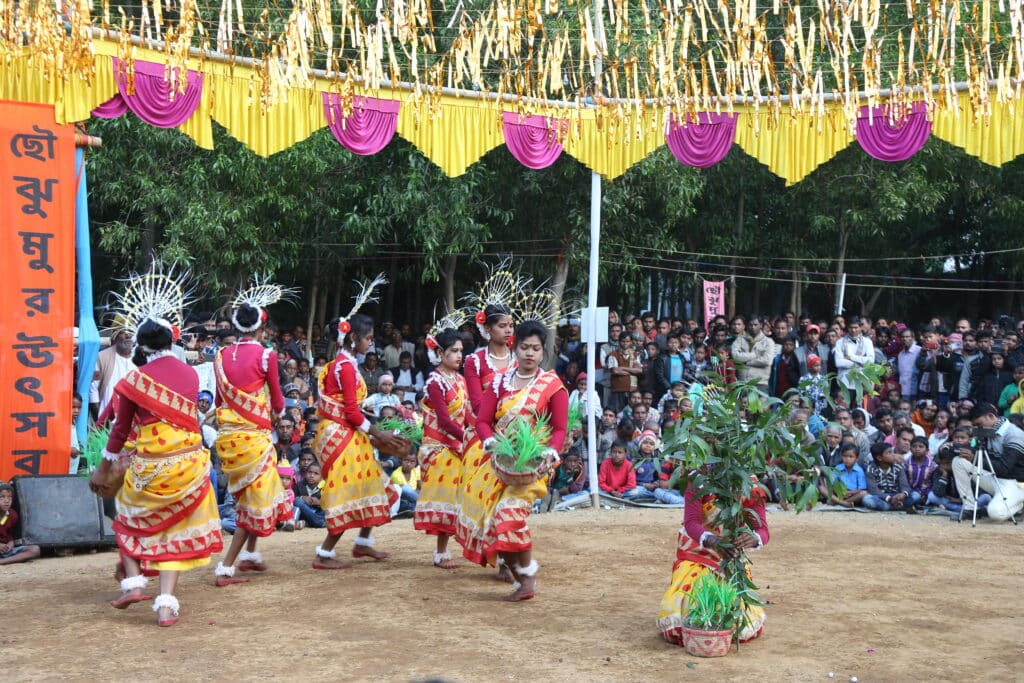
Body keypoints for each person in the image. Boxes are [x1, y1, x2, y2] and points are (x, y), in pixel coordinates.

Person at [90, 313, 223, 627]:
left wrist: (102, 467)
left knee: (126, 517)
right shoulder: (191, 375)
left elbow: (119, 430)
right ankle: (165, 606)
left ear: (141, 344)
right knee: (174, 532)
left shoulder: (135, 380)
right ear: (171, 339)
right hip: (189, 465)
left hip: (150, 467)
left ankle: (134, 583)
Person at [309, 281, 407, 570]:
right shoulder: (347, 367)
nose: (371, 344)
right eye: (368, 339)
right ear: (353, 339)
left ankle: (363, 543)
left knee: (371, 483)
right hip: (343, 434)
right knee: (351, 490)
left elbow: (350, 409)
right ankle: (324, 554)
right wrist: (378, 432)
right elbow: (351, 411)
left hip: (342, 432)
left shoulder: (341, 363)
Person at [475, 318, 569, 602]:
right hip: (500, 466)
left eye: (536, 349)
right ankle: (519, 579)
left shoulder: (551, 385)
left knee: (509, 514)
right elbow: (482, 421)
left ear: (543, 353)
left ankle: (528, 577)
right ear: (515, 348)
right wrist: (491, 442)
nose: (530, 353)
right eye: (525, 347)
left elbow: (561, 429)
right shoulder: (500, 382)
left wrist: (551, 452)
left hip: (534, 467)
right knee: (492, 524)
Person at [212, 288, 292, 587]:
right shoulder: (266, 355)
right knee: (252, 503)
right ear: (261, 327)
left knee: (255, 496)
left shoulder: (220, 355)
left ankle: (252, 554)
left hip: (228, 438)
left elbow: (221, 400)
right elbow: (279, 399)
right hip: (254, 437)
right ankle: (226, 567)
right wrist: (275, 413)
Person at [657, 478, 768, 645]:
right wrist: (713, 541)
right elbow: (691, 522)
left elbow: (763, 529)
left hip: (730, 558)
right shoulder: (698, 479)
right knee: (689, 612)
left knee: (739, 623)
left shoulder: (749, 484)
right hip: (697, 553)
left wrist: (755, 538)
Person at [415, 322, 472, 570]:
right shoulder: (435, 382)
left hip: (457, 444)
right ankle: (440, 553)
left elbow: (468, 413)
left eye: (461, 351)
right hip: (439, 446)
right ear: (440, 353)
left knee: (460, 496)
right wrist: (469, 437)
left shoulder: (459, 379)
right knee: (448, 498)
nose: (459, 356)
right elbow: (446, 421)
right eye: (454, 351)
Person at [952, 403, 1024, 520]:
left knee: (995, 514)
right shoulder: (988, 429)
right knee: (959, 461)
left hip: (1016, 483)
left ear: (990, 416)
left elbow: (1004, 467)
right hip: (996, 478)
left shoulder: (1014, 435)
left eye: (979, 424)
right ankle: (970, 508)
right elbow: (975, 452)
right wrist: (956, 450)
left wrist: (974, 458)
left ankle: (1018, 504)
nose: (977, 428)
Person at [862, 442, 921, 512]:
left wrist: (903, 494)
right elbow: (873, 490)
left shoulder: (898, 467)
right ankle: (897, 507)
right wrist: (889, 499)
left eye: (892, 452)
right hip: (882, 497)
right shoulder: (871, 469)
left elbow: (905, 485)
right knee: (867, 499)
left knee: (916, 495)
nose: (893, 455)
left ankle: (891, 507)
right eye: (889, 453)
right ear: (879, 458)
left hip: (897, 496)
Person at [834, 318, 875, 406]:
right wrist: (860, 363)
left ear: (860, 327)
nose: (853, 330)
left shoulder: (867, 342)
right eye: (851, 327)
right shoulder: (840, 342)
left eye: (856, 327)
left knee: (858, 411)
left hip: (860, 384)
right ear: (847, 328)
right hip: (844, 383)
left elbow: (870, 361)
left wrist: (851, 357)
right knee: (843, 410)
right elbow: (839, 362)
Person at [0, 483, 41, 565]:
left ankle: (2, 561)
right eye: (2, 497)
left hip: (4, 551)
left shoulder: (13, 515)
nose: (7, 501)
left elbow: (9, 535)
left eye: (9, 497)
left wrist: (11, 543)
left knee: (35, 549)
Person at [294, 462, 326, 528]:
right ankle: (317, 522)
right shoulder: (300, 485)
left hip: (319, 513)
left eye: (316, 473)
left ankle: (314, 522)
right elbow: (292, 498)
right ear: (305, 473)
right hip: (305, 513)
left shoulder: (325, 486)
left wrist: (320, 502)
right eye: (309, 472)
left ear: (321, 477)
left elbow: (331, 502)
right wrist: (302, 498)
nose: (312, 475)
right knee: (298, 501)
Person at [390, 451, 421, 515]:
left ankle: (418, 508)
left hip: (413, 500)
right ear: (401, 461)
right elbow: (405, 492)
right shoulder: (396, 475)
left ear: (416, 463)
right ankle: (423, 506)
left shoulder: (416, 471)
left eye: (412, 461)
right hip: (402, 500)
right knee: (406, 489)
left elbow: (420, 488)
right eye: (406, 460)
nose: (409, 464)